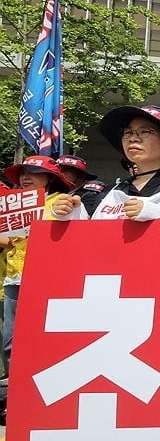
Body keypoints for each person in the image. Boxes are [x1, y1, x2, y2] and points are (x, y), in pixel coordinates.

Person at [52, 105, 160, 220]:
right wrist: (70, 214)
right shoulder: (107, 194)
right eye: (128, 132)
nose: (133, 138)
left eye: (145, 131)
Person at [1, 157, 72, 374]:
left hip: (47, 282)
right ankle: (15, 393)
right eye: (23, 173)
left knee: (42, 338)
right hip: (14, 279)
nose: (25, 177)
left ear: (50, 178)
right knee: (9, 342)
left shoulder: (63, 202)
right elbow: (9, 240)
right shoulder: (15, 206)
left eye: (33, 172)